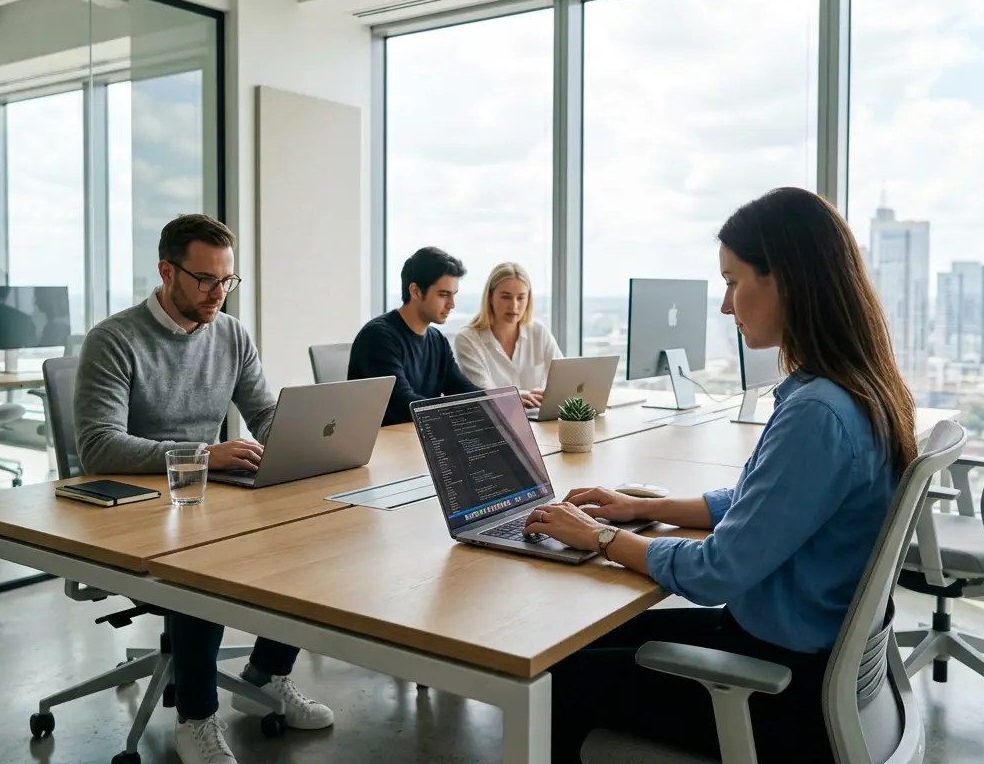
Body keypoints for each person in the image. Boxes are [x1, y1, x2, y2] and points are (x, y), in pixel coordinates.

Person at [523, 187, 918, 763]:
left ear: (785, 279)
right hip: (820, 664)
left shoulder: (816, 413)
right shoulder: (859, 391)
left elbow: (715, 572)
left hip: (783, 691)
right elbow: (760, 503)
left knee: (558, 678)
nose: (727, 306)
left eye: (734, 282)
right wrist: (644, 509)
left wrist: (600, 538)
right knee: (584, 642)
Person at [75, 214, 334, 764]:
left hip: (206, 492)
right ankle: (194, 719)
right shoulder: (115, 339)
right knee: (204, 567)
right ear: (167, 271)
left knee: (314, 533)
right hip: (133, 506)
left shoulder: (231, 333)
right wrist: (202, 454)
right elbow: (98, 447)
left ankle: (266, 675)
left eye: (226, 281)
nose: (218, 293)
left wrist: (300, 441)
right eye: (205, 280)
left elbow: (262, 412)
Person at [348, 246, 481, 425]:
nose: (452, 304)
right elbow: (405, 403)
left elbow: (464, 391)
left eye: (453, 295)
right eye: (443, 295)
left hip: (415, 439)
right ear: (416, 291)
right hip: (384, 445)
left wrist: (508, 402)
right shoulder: (378, 337)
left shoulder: (437, 340)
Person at [453, 262, 562, 409]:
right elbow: (483, 394)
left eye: (521, 298)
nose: (514, 305)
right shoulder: (467, 340)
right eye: (506, 297)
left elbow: (564, 379)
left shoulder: (539, 332)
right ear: (490, 297)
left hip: (540, 421)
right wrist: (515, 398)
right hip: (496, 424)